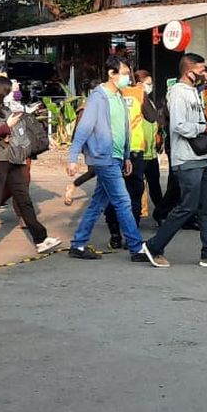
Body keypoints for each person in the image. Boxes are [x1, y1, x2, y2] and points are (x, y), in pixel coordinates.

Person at [66, 56, 161, 265]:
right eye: (125, 73)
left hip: (117, 157)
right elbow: (84, 128)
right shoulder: (98, 98)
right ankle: (136, 248)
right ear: (112, 73)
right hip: (104, 157)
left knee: (98, 203)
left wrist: (126, 155)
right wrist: (73, 157)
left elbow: (124, 128)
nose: (128, 78)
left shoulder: (119, 97)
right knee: (123, 201)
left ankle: (78, 244)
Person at [143, 53, 207, 268]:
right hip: (186, 159)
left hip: (203, 158)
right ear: (189, 71)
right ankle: (154, 246)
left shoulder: (194, 92)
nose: (205, 74)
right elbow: (178, 125)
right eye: (201, 70)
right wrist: (204, 127)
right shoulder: (178, 94)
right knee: (187, 206)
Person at [0, 75, 61, 256]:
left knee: (24, 200)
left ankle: (41, 239)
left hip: (14, 159)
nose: (12, 95)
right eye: (9, 91)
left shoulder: (6, 109)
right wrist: (6, 126)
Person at [101, 68, 148, 247]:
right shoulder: (137, 95)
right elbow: (151, 117)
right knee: (133, 196)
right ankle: (131, 237)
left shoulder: (104, 94)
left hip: (113, 152)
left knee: (113, 195)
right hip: (132, 151)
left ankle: (115, 236)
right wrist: (142, 93)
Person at [136, 70, 164, 215]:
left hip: (151, 152)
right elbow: (151, 118)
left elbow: (154, 120)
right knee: (137, 188)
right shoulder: (136, 100)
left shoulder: (148, 100)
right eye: (148, 84)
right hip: (139, 151)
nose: (150, 86)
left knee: (155, 186)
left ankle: (160, 214)